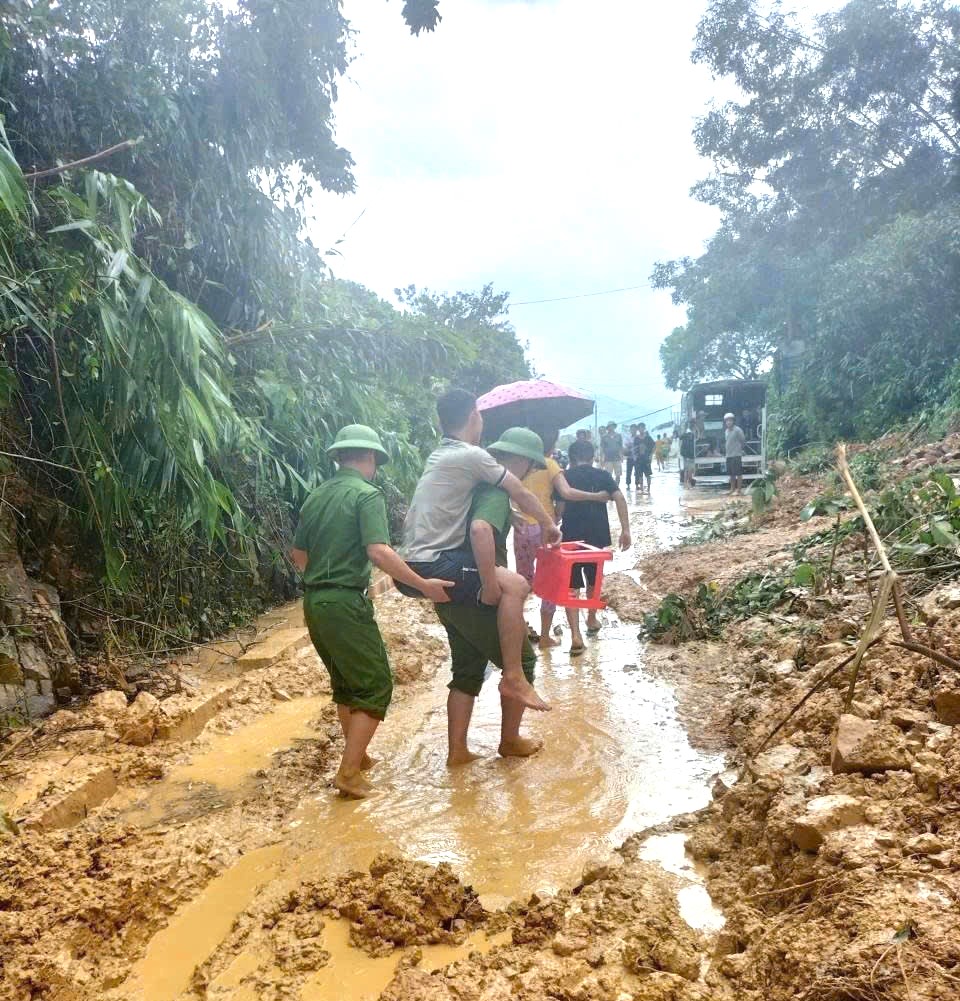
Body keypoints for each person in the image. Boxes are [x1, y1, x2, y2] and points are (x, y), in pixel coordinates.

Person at [290, 425, 455, 799]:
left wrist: (324, 580)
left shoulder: (315, 497)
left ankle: (359, 756)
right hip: (346, 602)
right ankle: (348, 773)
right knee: (375, 685)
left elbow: (298, 555)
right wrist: (423, 585)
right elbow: (378, 551)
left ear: (339, 457)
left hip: (315, 602)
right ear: (370, 458)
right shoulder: (367, 495)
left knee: (347, 684)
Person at [398, 388, 559, 712]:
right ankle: (513, 677)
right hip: (438, 564)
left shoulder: (441, 455)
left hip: (415, 566)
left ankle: (465, 744)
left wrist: (511, 516)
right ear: (474, 416)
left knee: (466, 673)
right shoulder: (473, 457)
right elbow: (488, 521)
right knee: (517, 586)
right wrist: (547, 524)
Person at [438, 429, 550, 766]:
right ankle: (510, 740)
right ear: (521, 461)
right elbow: (480, 530)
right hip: (476, 591)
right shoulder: (496, 492)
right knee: (522, 663)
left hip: (448, 590)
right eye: (530, 467)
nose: (528, 474)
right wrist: (489, 584)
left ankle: (458, 752)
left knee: (466, 671)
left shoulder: (470, 487)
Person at [514, 429, 611, 649]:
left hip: (521, 529)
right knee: (549, 582)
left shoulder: (518, 466)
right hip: (545, 529)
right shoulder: (549, 465)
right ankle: (545, 636)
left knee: (524, 580)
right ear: (551, 445)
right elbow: (566, 494)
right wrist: (596, 497)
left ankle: (519, 628)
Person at [561, 439, 631, 654]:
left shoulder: (565, 477)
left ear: (572, 458)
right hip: (596, 537)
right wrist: (625, 530)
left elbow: (559, 509)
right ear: (592, 457)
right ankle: (591, 619)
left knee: (571, 587)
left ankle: (575, 635)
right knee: (594, 579)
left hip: (570, 538)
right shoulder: (602, 475)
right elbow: (620, 498)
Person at [724, 412, 746, 495]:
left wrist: (740, 449)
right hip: (728, 455)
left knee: (738, 473)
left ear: (733, 421)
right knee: (731, 474)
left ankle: (739, 490)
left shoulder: (737, 430)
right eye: (727, 421)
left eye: (730, 420)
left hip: (736, 455)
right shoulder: (726, 431)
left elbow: (743, 440)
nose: (728, 422)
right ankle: (732, 489)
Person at [632, 423, 656, 495]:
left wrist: (651, 455)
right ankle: (642, 489)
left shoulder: (648, 438)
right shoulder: (636, 438)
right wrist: (635, 456)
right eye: (640, 428)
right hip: (638, 459)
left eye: (642, 428)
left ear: (644, 428)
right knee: (640, 475)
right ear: (638, 429)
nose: (641, 429)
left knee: (648, 474)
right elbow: (634, 448)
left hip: (646, 459)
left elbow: (654, 446)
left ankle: (648, 489)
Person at [679, 420, 696, 488]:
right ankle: (688, 483)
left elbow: (680, 437)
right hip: (689, 455)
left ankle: (686, 483)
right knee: (689, 470)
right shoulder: (691, 434)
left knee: (687, 469)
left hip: (686, 455)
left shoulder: (686, 433)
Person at [624, 424, 639, 488]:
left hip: (637, 458)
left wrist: (632, 445)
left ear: (636, 430)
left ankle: (637, 484)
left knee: (637, 471)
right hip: (630, 457)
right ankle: (628, 484)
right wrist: (633, 446)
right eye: (632, 429)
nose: (633, 430)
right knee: (629, 471)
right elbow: (626, 445)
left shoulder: (638, 437)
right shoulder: (628, 437)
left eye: (634, 429)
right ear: (630, 430)